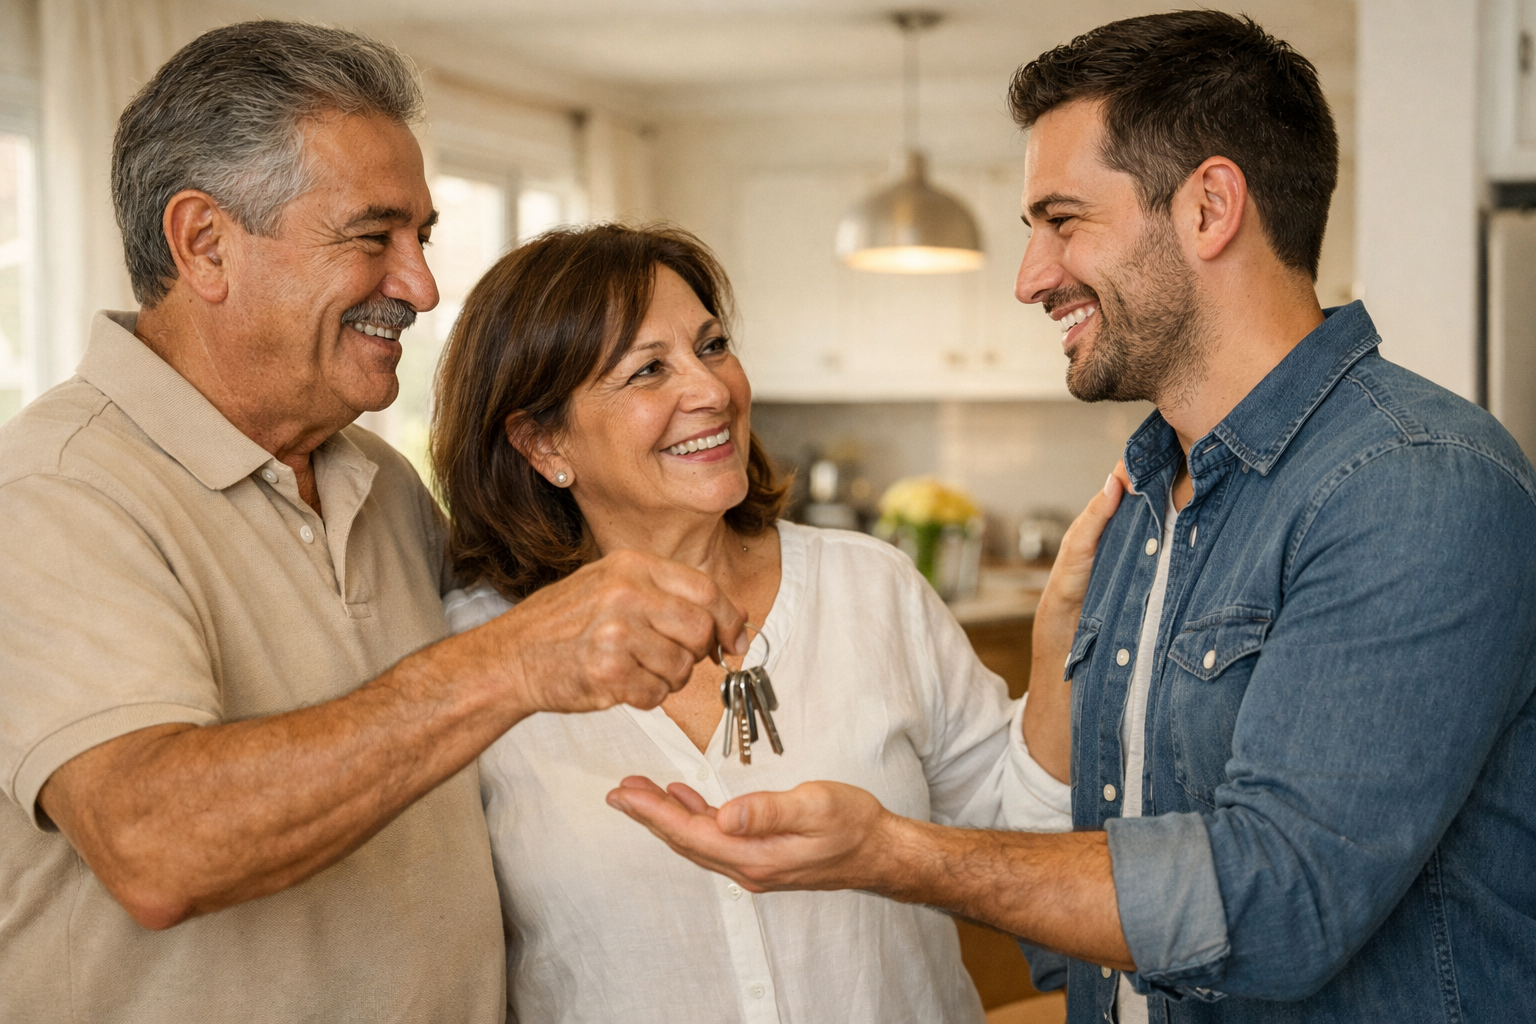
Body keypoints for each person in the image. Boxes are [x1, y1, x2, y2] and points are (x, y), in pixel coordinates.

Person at [609, 12, 1536, 1024]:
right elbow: (1106, 840)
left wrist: (895, 854)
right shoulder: (1147, 497)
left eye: (1063, 220)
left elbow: (1279, 900)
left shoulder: (1409, 481)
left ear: (1209, 207)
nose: (1030, 277)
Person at [0, 23, 749, 1023]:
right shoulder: (56, 491)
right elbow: (156, 846)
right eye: (373, 236)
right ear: (204, 243)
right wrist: (511, 660)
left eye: (423, 238)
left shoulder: (383, 482)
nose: (423, 287)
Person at [429, 222, 1119, 1024]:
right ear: (543, 442)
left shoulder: (870, 586)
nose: (713, 390)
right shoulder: (477, 657)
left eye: (712, 345)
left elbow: (1018, 833)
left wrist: (1059, 630)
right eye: (649, 369)